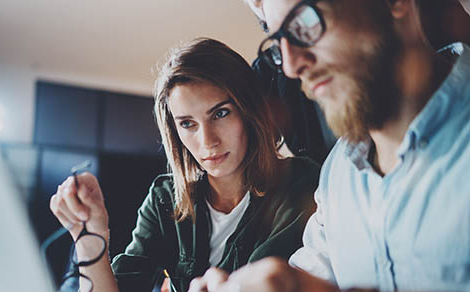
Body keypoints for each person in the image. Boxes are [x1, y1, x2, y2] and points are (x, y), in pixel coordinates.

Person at [189, 0, 470, 291]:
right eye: (278, 43)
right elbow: (312, 270)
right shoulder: (337, 174)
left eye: (306, 22)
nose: (291, 66)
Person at [49, 38, 320, 292]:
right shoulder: (165, 199)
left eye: (220, 113)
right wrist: (89, 234)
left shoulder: (300, 183)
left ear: (249, 111)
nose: (207, 140)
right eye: (187, 124)